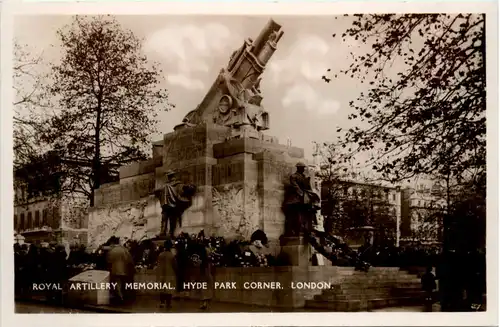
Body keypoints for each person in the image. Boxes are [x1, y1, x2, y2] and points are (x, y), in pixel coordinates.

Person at [283, 162, 320, 236]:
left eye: (304, 167)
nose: (303, 169)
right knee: (296, 214)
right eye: (302, 167)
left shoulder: (304, 177)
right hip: (295, 197)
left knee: (310, 210)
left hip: (304, 196)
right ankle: (296, 229)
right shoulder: (293, 176)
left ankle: (309, 227)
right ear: (298, 168)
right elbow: (295, 186)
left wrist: (311, 195)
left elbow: (308, 187)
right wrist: (302, 194)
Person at [106, 236, 135, 304]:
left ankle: (120, 297)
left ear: (112, 243)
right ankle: (125, 297)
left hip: (115, 270)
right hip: (125, 270)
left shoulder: (111, 251)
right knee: (124, 284)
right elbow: (130, 260)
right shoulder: (124, 250)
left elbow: (108, 261)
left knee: (117, 284)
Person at [156, 240, 177, 310]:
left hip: (161, 274)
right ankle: (168, 303)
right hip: (170, 274)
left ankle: (162, 302)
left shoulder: (160, 255)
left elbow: (158, 264)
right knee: (169, 289)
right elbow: (175, 266)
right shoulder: (171, 256)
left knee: (162, 289)